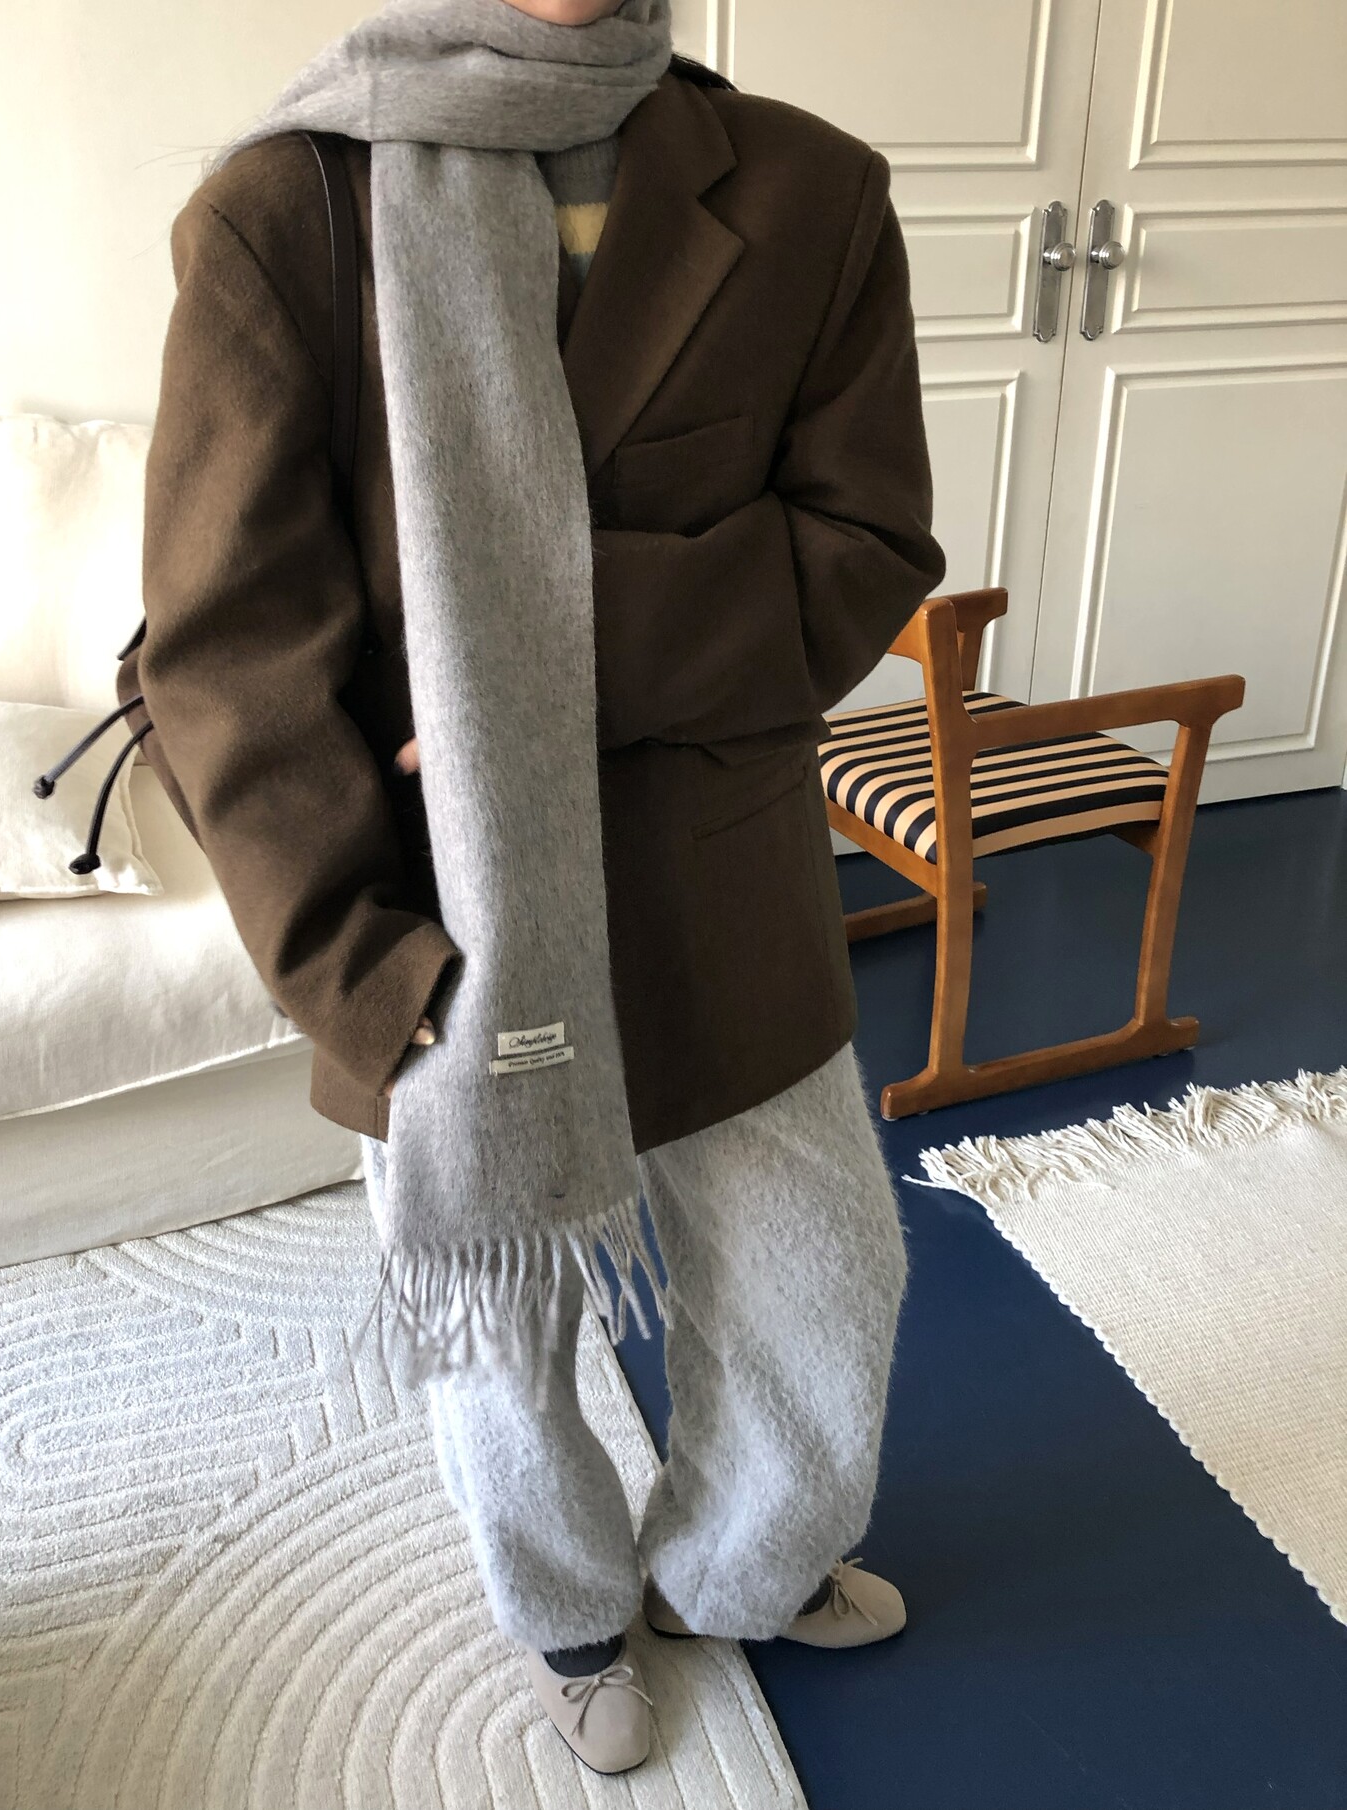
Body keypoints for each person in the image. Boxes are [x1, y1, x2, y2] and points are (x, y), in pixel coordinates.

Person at [137, 0, 946, 1777]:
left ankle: (745, 1565)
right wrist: (360, 969)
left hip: (723, 887)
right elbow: (220, 652)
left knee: (823, 1280)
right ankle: (569, 1607)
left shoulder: (813, 188)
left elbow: (863, 546)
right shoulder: (284, 210)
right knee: (499, 1325)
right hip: (433, 905)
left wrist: (535, 654)